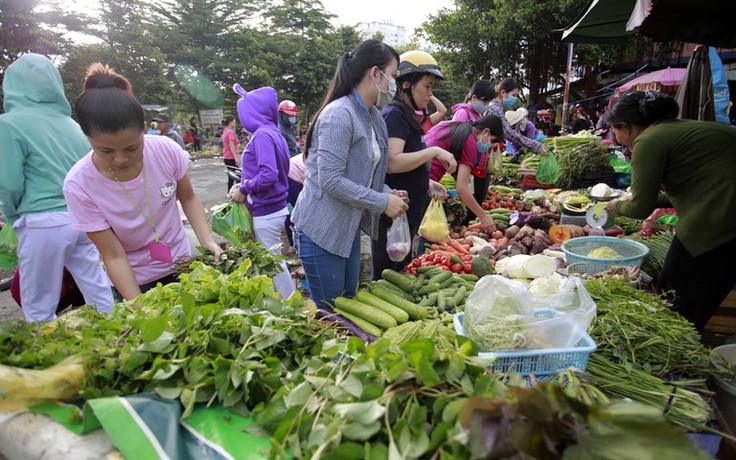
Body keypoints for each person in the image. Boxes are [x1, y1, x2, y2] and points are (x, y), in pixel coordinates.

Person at [64, 63, 222, 301]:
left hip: (182, 265)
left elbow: (188, 197)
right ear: (88, 138)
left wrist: (207, 240)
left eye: (132, 147)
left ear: (145, 129)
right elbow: (113, 255)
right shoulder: (79, 185)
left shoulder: (166, 151)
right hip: (133, 281)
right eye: (105, 150)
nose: (120, 159)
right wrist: (138, 306)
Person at [604, 91, 736, 331]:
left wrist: (618, 206)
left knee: (674, 291)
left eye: (614, 131)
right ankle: (686, 339)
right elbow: (679, 192)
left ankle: (675, 343)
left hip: (719, 214)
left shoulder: (648, 140)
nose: (615, 138)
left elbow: (640, 208)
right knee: (706, 286)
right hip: (722, 210)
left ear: (626, 126)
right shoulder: (672, 129)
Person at [291, 39, 408, 309]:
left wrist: (388, 192)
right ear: (375, 73)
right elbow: (330, 180)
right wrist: (381, 202)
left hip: (347, 229)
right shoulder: (339, 115)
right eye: (392, 75)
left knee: (349, 306)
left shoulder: (373, 117)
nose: (394, 83)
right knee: (332, 313)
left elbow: (365, 172)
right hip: (321, 231)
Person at [0, 53, 114, 322]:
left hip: (41, 222)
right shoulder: (72, 126)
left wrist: (13, 217)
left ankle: (49, 354)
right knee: (98, 291)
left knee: (39, 303)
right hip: (82, 220)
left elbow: (9, 182)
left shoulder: (8, 124)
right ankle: (117, 337)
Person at [372, 50, 457, 278]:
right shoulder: (395, 115)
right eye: (427, 87)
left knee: (399, 272)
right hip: (392, 215)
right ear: (407, 85)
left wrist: (426, 182)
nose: (430, 94)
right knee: (387, 276)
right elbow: (392, 163)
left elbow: (406, 160)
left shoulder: (407, 114)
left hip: (405, 213)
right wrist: (435, 151)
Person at [228, 84, 296, 300]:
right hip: (274, 207)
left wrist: (245, 189)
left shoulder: (262, 136)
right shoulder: (273, 133)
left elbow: (269, 174)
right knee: (272, 260)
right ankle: (285, 301)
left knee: (273, 263)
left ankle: (290, 304)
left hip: (267, 211)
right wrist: (243, 185)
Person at [427, 114, 505, 232]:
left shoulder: (456, 126)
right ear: (486, 132)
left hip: (415, 167)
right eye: (492, 141)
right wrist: (483, 217)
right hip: (428, 174)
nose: (489, 146)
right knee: (429, 228)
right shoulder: (471, 143)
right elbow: (462, 188)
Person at [487, 78, 547, 156]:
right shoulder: (495, 108)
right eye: (513, 95)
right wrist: (536, 146)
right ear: (503, 92)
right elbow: (508, 133)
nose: (515, 98)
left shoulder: (495, 107)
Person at [285, 153, 306, 249]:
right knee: (299, 211)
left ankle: (292, 245)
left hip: (288, 174)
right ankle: (294, 245)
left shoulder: (310, 153)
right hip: (292, 178)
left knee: (291, 210)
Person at [221, 115, 240, 191]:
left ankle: (230, 193)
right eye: (234, 122)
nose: (235, 124)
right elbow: (231, 145)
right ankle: (238, 193)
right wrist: (236, 158)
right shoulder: (230, 132)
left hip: (226, 157)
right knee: (238, 177)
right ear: (230, 122)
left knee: (231, 177)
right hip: (231, 157)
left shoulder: (225, 131)